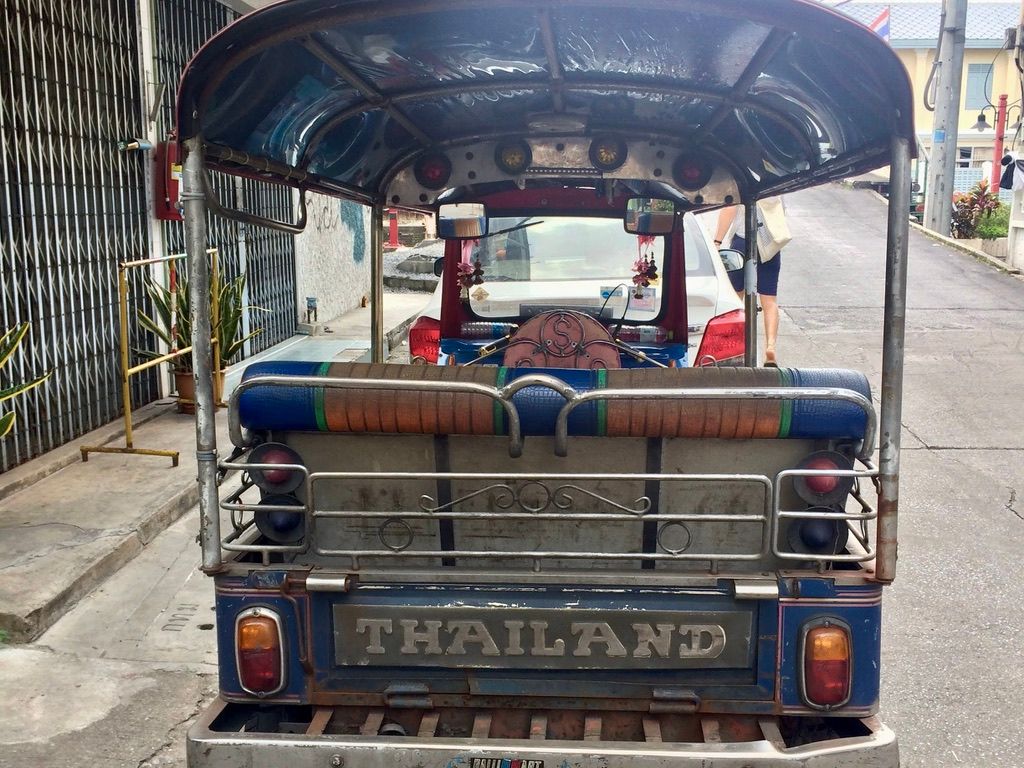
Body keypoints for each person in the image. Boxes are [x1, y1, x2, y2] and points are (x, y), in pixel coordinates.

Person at [713, 201, 784, 367]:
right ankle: (771, 347)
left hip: (742, 243)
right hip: (769, 246)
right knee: (769, 300)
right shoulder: (774, 185)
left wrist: (717, 241)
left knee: (736, 297)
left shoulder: (741, 180)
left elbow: (729, 208)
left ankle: (734, 346)